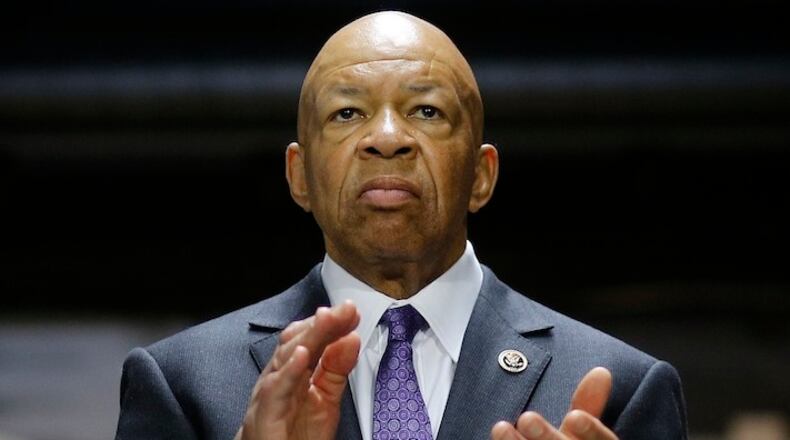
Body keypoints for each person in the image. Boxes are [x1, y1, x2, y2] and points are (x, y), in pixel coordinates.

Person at [115, 11, 687, 440]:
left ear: (482, 175)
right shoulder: (182, 384)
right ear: (300, 176)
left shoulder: (622, 389)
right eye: (347, 113)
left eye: (426, 111)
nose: (386, 137)